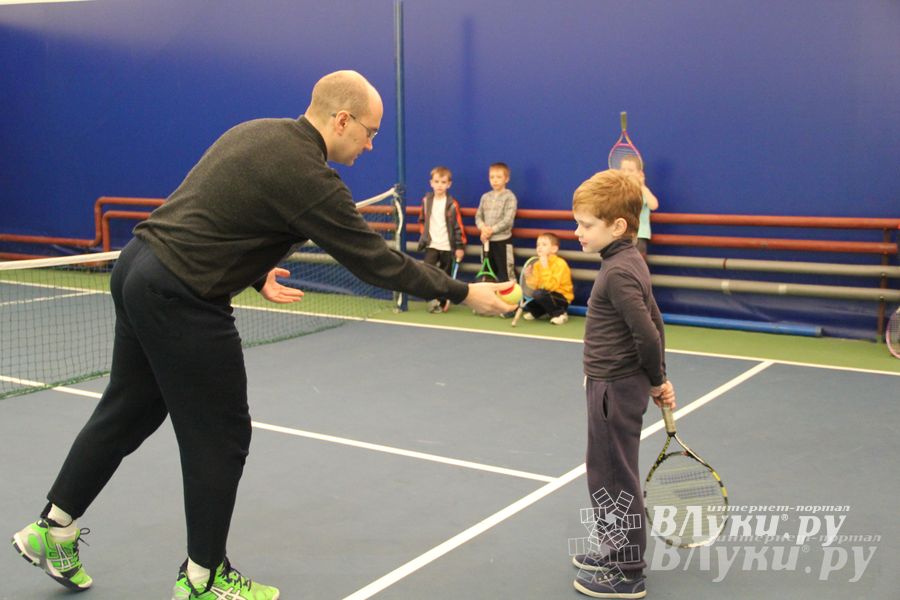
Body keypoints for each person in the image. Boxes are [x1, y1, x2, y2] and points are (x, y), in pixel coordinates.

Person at [10, 70, 512, 600]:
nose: (370, 144)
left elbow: (217, 210)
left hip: (138, 267)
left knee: (128, 408)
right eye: (370, 132)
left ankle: (53, 528)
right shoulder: (311, 177)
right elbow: (375, 261)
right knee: (221, 437)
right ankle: (204, 578)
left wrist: (254, 270)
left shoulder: (257, 131)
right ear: (342, 120)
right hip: (183, 295)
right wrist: (464, 292)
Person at [569, 170, 675, 599]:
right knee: (607, 471)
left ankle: (627, 571)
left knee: (612, 476)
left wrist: (657, 379)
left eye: (585, 224)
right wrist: (658, 377)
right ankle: (615, 550)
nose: (577, 232)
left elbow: (646, 333)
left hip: (614, 387)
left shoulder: (617, 272)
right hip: (612, 384)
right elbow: (656, 321)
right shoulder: (629, 260)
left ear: (617, 226)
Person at [416, 166, 466, 313]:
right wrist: (424, 235)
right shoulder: (426, 201)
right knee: (427, 273)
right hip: (431, 245)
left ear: (449, 184)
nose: (439, 185)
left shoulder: (452, 204)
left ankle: (443, 301)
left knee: (445, 276)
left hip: (447, 247)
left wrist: (460, 247)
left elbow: (458, 227)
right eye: (436, 181)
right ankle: (431, 299)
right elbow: (422, 220)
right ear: (431, 183)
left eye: (443, 182)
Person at [474, 162, 517, 283]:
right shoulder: (485, 197)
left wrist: (491, 230)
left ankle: (510, 295)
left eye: (499, 177)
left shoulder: (510, 197)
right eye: (492, 177)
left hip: (502, 243)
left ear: (506, 179)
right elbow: (478, 216)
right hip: (486, 242)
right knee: (488, 275)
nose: (495, 180)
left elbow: (508, 220)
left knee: (505, 275)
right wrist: (483, 228)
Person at [521, 232, 574, 325]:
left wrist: (545, 268)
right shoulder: (537, 264)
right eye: (538, 245)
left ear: (554, 249)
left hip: (561, 298)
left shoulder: (560, 264)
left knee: (539, 294)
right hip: (545, 294)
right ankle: (539, 312)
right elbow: (535, 286)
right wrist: (529, 276)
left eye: (544, 245)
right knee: (531, 299)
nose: (540, 247)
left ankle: (560, 314)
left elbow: (551, 287)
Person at [618, 155, 659, 262]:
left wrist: (642, 186)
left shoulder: (642, 191)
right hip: (621, 235)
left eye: (631, 170)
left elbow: (654, 205)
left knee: (637, 264)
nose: (626, 173)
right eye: (623, 170)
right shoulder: (618, 191)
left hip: (639, 235)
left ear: (639, 173)